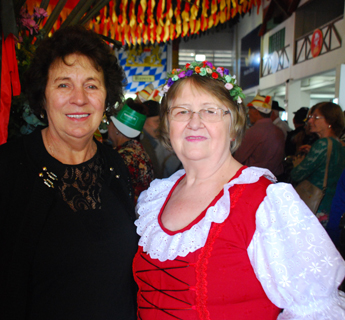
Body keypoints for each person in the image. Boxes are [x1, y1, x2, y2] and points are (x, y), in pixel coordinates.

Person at [0, 26, 138, 320]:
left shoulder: (115, 167)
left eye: (91, 85)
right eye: (64, 85)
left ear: (106, 95)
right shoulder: (0, 172)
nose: (79, 98)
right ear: (43, 97)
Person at [133, 61, 345, 319]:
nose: (194, 122)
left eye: (210, 111)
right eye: (182, 111)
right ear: (168, 125)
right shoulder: (156, 197)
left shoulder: (265, 203)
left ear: (233, 125)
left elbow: (314, 309)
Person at [291, 102, 345, 226]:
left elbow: (296, 175)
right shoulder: (339, 144)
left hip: (317, 205)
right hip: (333, 206)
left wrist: (298, 163)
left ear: (329, 121)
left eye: (315, 117)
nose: (310, 121)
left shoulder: (322, 144)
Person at [107, 99, 154, 204]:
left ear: (116, 128)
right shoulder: (139, 152)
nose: (107, 126)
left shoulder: (120, 157)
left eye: (109, 122)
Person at [234, 95, 285, 178]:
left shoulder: (253, 132)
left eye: (250, 110)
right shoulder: (279, 131)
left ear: (256, 111)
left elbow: (238, 158)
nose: (248, 113)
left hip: (256, 179)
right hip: (276, 178)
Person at [141, 100, 182, 178]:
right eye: (157, 121)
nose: (161, 126)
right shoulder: (139, 146)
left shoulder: (165, 141)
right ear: (143, 122)